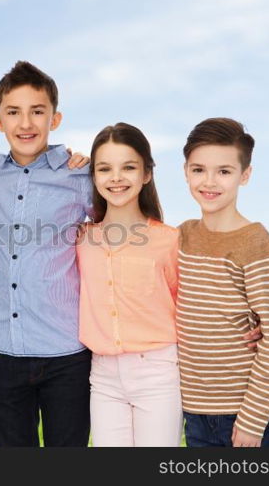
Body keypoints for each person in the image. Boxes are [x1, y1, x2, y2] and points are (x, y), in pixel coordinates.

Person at [0, 61, 94, 446]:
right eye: (13, 112)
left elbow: (117, 224)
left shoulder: (78, 176)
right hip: (3, 351)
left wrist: (94, 163)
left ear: (55, 118)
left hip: (66, 353)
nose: (26, 123)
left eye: (37, 111)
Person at [176, 118, 269, 447]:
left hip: (247, 416)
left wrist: (253, 420)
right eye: (198, 170)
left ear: (245, 175)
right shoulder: (182, 237)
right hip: (196, 414)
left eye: (224, 171)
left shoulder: (255, 243)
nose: (209, 181)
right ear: (185, 171)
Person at [77, 122, 182, 446]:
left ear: (147, 173)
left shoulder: (170, 240)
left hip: (158, 372)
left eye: (129, 167)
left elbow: (191, 307)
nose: (116, 178)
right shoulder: (81, 238)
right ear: (93, 175)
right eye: (104, 168)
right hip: (103, 375)